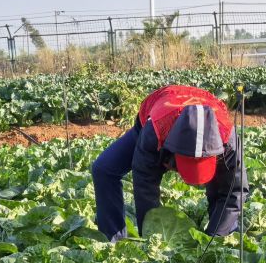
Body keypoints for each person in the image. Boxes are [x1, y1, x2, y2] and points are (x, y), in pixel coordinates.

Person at [91, 84, 249, 240]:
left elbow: (234, 192)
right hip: (160, 111)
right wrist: (154, 240)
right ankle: (113, 243)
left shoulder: (228, 141)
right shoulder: (154, 134)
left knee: (224, 198)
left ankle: (221, 242)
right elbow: (145, 188)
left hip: (207, 125)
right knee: (103, 169)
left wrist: (214, 238)